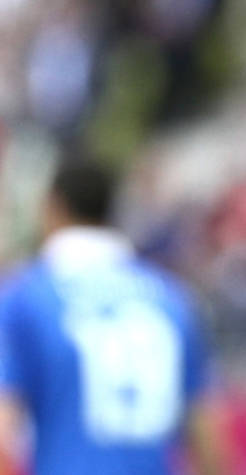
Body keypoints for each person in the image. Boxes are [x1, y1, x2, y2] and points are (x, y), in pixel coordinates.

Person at [0, 157, 230, 475]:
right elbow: (208, 438)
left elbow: (4, 424)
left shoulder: (26, 297)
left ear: (52, 206)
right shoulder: (170, 298)